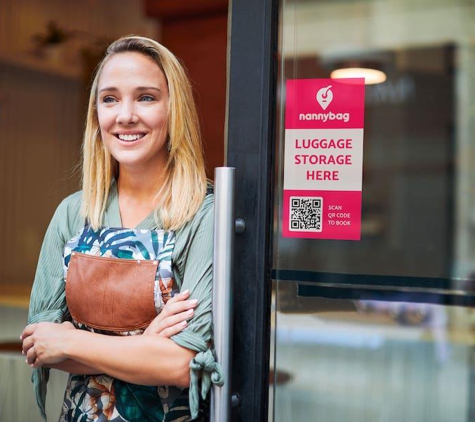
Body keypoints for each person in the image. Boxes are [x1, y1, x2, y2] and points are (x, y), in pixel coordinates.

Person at [20, 35, 223, 422]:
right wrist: (146, 346)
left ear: (173, 108)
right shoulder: (73, 213)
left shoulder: (203, 214)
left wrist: (73, 340)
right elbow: (39, 344)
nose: (125, 115)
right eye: (110, 98)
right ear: (96, 113)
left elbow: (183, 364)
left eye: (146, 97)